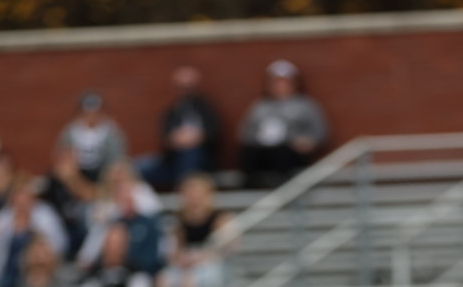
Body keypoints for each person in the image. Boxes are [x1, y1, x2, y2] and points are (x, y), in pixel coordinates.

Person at [238, 60, 328, 189]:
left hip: (289, 149)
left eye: (284, 82)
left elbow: (320, 131)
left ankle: (281, 188)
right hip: (262, 149)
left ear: (294, 84)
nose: (280, 86)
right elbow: (245, 132)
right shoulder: (260, 106)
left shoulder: (306, 105)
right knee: (247, 153)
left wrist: (308, 141)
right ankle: (251, 186)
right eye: (276, 82)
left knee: (283, 154)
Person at [136, 65, 221, 191]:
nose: (185, 91)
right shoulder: (172, 112)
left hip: (200, 163)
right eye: (181, 87)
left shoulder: (206, 110)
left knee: (190, 154)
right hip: (171, 161)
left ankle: (184, 192)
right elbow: (164, 137)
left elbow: (214, 133)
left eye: (188, 87)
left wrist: (195, 137)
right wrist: (175, 139)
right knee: (137, 167)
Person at [55, 92, 127, 184]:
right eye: (88, 113)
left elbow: (117, 157)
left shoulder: (112, 132)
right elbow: (61, 153)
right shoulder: (70, 131)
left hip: (103, 173)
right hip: (77, 173)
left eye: (95, 112)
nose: (91, 117)